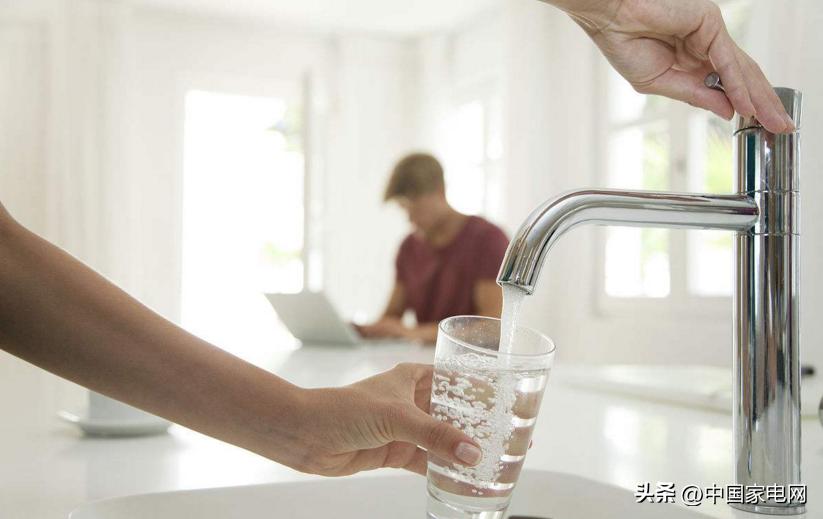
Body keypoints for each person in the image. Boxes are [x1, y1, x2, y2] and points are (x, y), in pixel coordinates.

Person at [0, 0, 793, 480]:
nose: (409, 223)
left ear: (432, 192)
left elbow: (489, 332)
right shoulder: (408, 250)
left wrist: (610, 7)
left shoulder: (483, 237)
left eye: (412, 207)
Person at [355, 153, 509, 344]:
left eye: (416, 207)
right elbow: (391, 318)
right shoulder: (408, 247)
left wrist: (413, 333)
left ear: (440, 191)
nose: (410, 218)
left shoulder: (487, 239)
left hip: (472, 366)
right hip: (423, 363)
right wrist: (365, 330)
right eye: (404, 208)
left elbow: (492, 327)